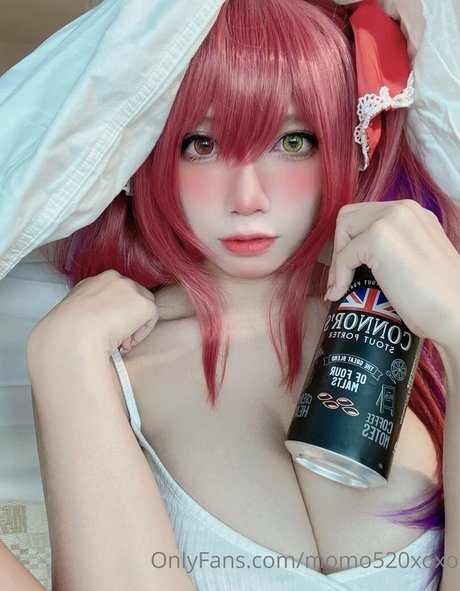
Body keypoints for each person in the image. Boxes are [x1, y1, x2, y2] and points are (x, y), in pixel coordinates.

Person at [23, 0, 460, 590]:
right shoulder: (101, 360)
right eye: (201, 145)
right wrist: (62, 356)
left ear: (350, 142)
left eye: (294, 141)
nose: (248, 198)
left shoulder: (418, 316)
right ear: (138, 155)